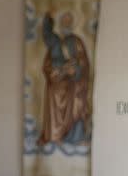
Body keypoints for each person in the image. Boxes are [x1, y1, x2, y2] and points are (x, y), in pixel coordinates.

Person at [39, 11, 91, 145]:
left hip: (73, 85)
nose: (66, 24)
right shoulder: (55, 42)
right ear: (61, 24)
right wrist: (59, 70)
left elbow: (83, 63)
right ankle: (54, 136)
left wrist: (75, 70)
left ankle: (74, 136)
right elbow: (47, 65)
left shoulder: (77, 42)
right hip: (57, 84)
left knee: (77, 104)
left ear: (72, 24)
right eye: (64, 21)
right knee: (54, 105)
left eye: (69, 21)